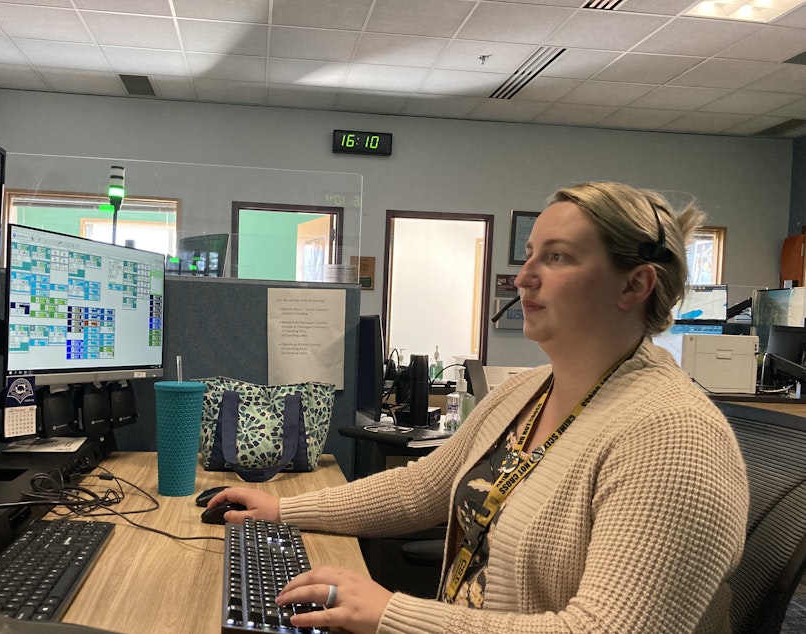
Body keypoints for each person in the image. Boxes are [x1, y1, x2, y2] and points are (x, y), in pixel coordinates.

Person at [208, 181, 749, 633]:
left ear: (635, 284)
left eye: (556, 257)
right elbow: (421, 489)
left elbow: (601, 629)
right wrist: (284, 511)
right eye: (531, 253)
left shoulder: (675, 437)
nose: (523, 276)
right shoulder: (530, 390)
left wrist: (393, 614)